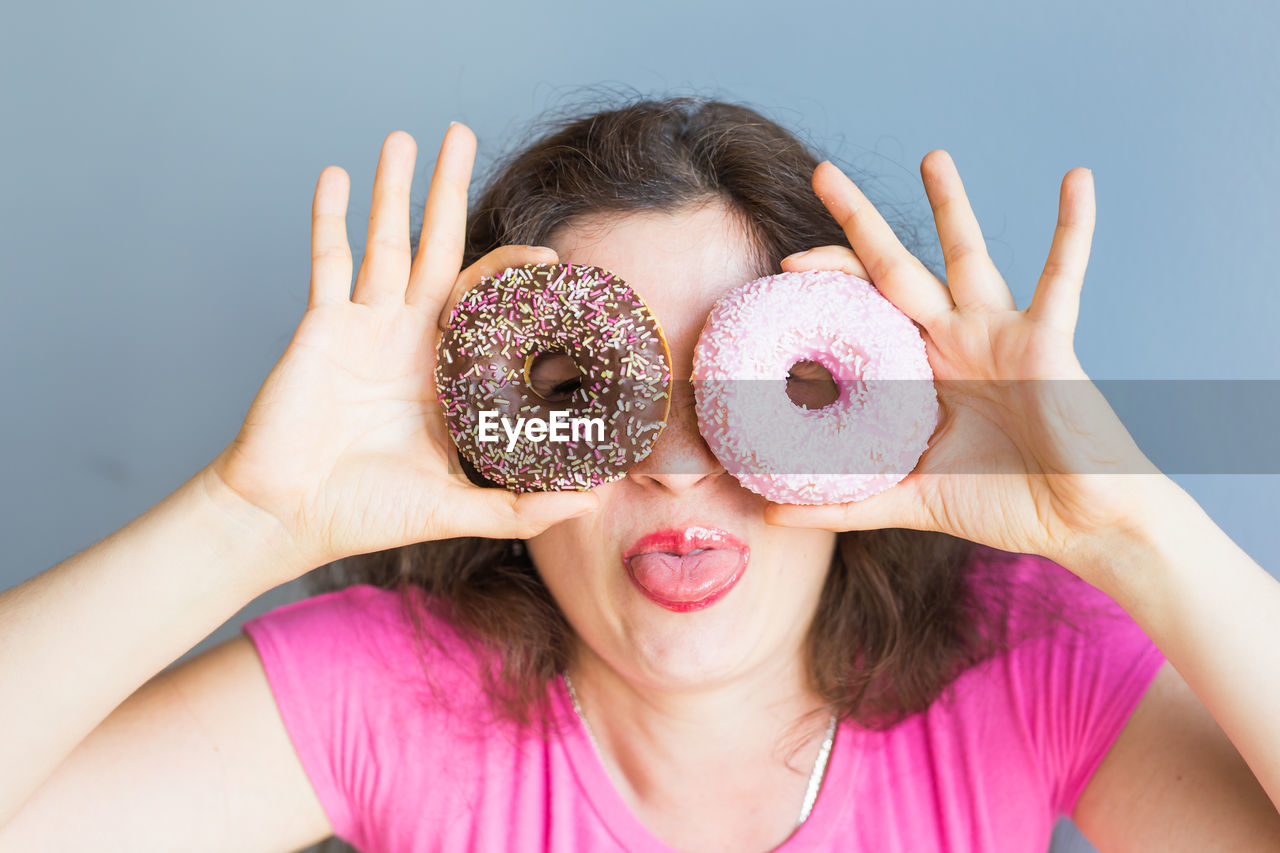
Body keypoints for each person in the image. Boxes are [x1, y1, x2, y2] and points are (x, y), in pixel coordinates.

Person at [1, 95, 1278, 852]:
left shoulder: (1026, 669)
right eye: (579, 398)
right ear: (479, 432)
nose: (671, 467)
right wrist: (247, 521)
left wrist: (1121, 527)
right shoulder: (385, 689)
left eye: (761, 397)